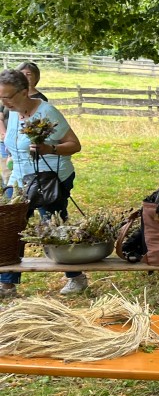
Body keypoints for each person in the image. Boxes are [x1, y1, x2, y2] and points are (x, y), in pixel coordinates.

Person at [0, 68, 87, 296]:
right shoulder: (12, 114)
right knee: (9, 229)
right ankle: (7, 284)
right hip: (19, 180)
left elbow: (74, 145)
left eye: (7, 96)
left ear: (24, 92)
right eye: (0, 97)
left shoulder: (47, 112)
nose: (4, 101)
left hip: (50, 179)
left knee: (53, 226)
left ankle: (76, 278)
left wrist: (49, 148)